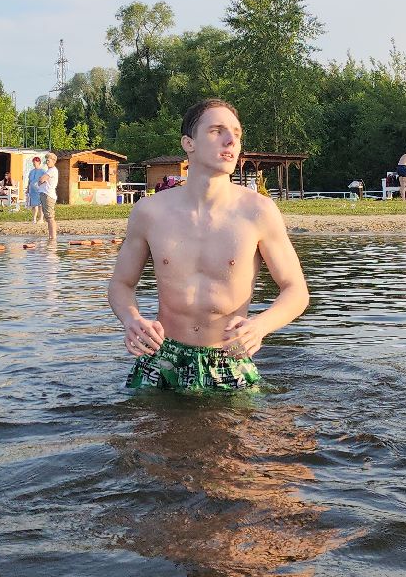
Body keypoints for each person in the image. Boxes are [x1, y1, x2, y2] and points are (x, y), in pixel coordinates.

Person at [108, 99, 310, 393]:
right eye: (217, 131)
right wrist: (132, 320)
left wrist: (261, 326)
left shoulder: (258, 212)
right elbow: (121, 284)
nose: (231, 140)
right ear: (188, 143)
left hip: (229, 359)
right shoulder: (150, 212)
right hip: (163, 358)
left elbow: (296, 289)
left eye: (237, 134)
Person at [35, 153, 60, 242]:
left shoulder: (52, 170)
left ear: (54, 161)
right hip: (45, 194)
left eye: (48, 160)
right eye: (46, 160)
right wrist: (40, 180)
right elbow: (40, 181)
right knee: (48, 217)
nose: (47, 162)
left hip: (48, 195)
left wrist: (41, 180)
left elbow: (41, 180)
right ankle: (51, 237)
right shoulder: (49, 170)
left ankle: (53, 238)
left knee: (50, 217)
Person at [25, 156, 46, 224]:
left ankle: (41, 219)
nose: (34, 164)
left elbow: (45, 180)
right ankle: (34, 219)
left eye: (35, 162)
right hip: (32, 191)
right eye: (33, 163)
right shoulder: (31, 171)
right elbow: (29, 181)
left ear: (39, 162)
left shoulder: (42, 171)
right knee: (34, 205)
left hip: (39, 190)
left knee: (40, 205)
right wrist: (28, 189)